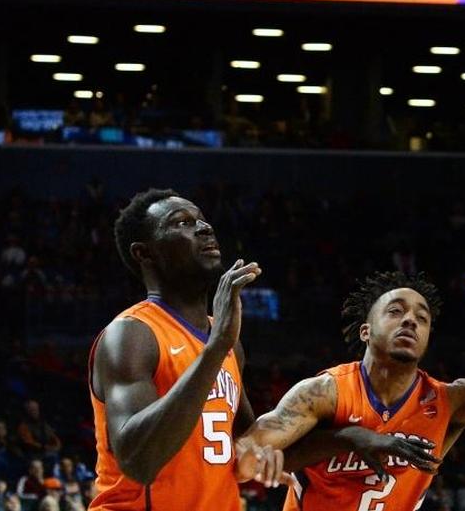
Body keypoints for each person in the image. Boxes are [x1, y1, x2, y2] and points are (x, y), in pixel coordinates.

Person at [91, 190, 425, 511]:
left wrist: (351, 438)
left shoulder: (227, 342)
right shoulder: (132, 334)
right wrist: (217, 346)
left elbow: (252, 447)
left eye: (202, 220)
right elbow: (139, 462)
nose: (204, 228)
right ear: (144, 253)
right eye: (181, 223)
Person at [233, 271, 465, 510]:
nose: (411, 319)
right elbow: (244, 458)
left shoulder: (449, 399)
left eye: (422, 318)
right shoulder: (324, 393)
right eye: (395, 311)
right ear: (365, 330)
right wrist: (261, 459)